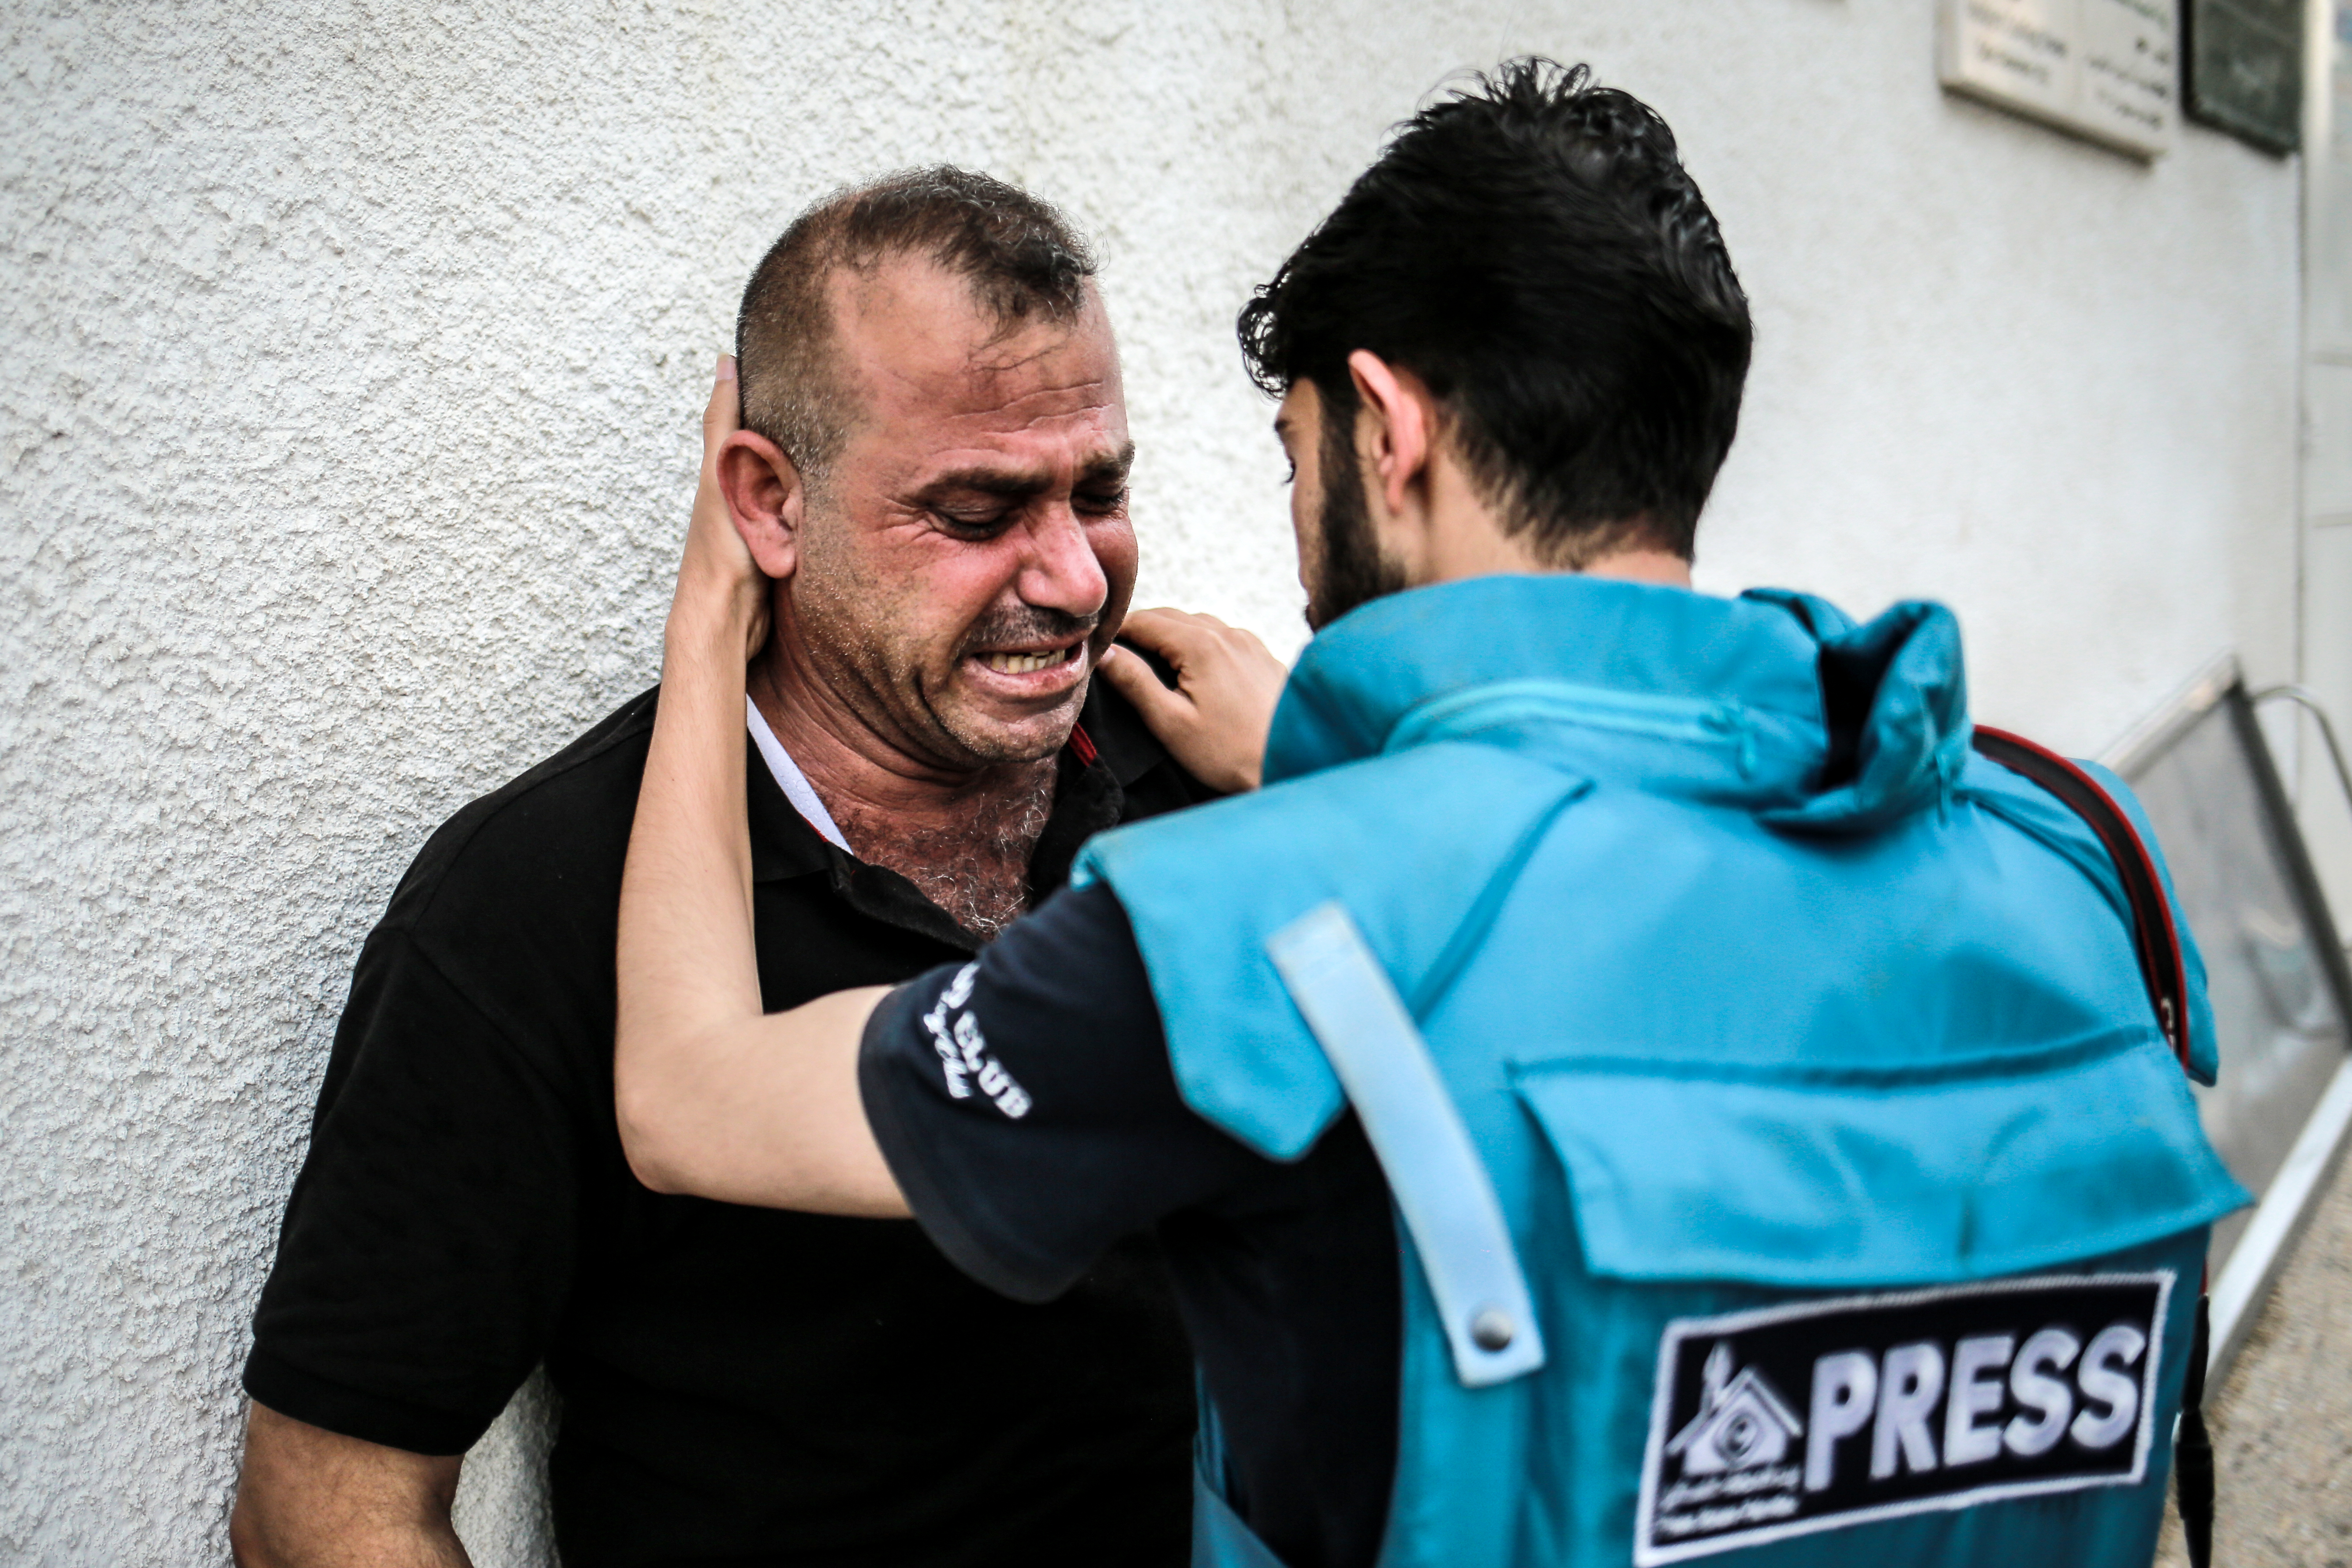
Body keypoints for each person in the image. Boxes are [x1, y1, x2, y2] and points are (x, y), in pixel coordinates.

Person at [613, 62, 2248, 1568]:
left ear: (1388, 433)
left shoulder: (1258, 926)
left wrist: (707, 619)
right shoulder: (2071, 844)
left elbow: (689, 1095)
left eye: (1293, 445)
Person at [230, 168, 1286, 1568]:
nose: (1079, 581)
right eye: (978, 511)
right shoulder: (544, 900)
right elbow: (326, 1502)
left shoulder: (1210, 785)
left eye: (1098, 490)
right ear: (767, 505)